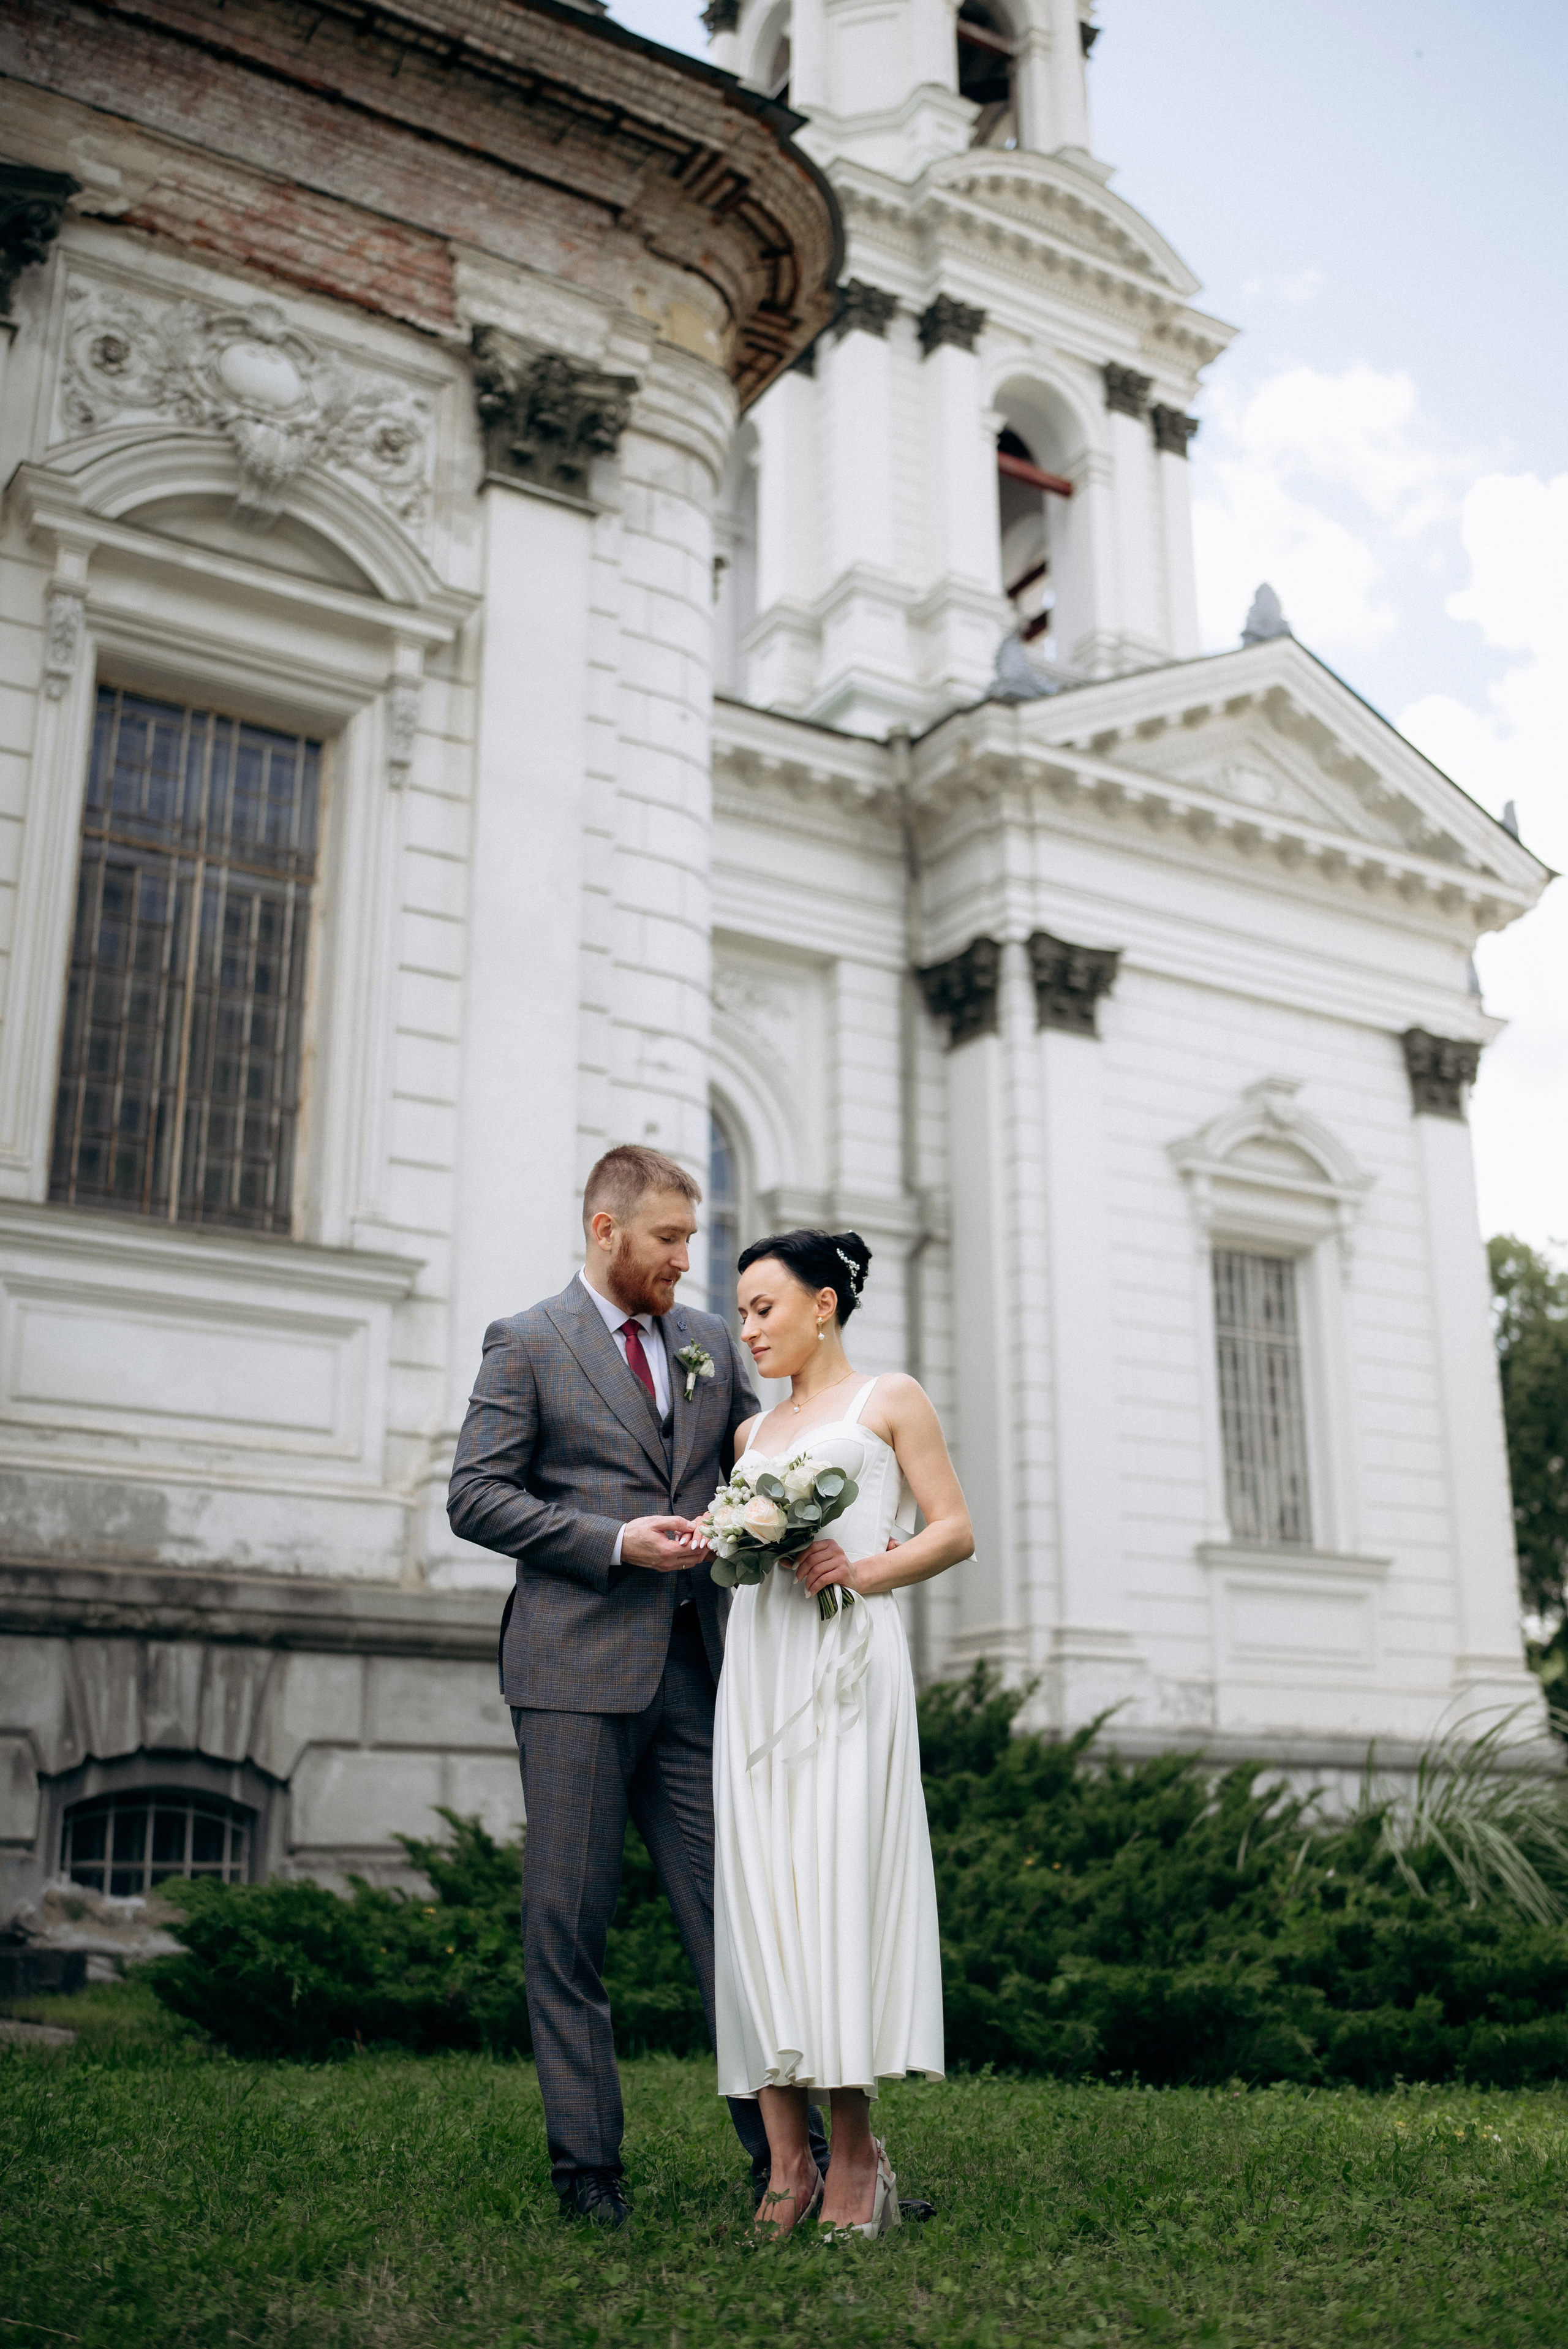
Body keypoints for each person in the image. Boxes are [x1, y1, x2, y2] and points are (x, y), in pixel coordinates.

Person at [447, 1146, 828, 2227]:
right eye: (667, 1238)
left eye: (690, 1238)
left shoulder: (708, 1340)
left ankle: (792, 2162)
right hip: (571, 1673)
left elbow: (764, 1460)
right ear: (606, 1230)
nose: (684, 1259)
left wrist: (823, 1507)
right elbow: (475, 1496)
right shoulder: (527, 1341)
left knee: (735, 1925)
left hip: (699, 1675)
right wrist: (613, 1540)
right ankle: (588, 2168)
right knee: (567, 1926)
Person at [714, 1228, 974, 2237]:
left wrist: (862, 1569)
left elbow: (953, 1528)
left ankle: (857, 2156)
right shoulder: (750, 1434)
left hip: (845, 1668)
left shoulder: (889, 1399)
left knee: (831, 1884)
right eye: (741, 1312)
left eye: (764, 1308)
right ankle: (789, 2162)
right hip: (759, 1665)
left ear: (823, 1305)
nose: (748, 1329)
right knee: (761, 1894)